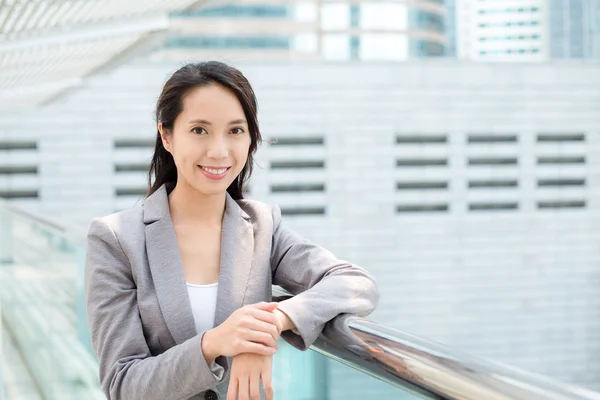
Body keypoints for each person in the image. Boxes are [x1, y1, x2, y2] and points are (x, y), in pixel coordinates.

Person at [84, 61, 380, 400]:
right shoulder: (115, 239)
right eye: (199, 130)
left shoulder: (263, 227)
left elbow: (355, 284)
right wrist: (214, 343)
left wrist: (272, 322)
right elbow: (123, 385)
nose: (219, 151)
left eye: (235, 131)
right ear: (166, 135)